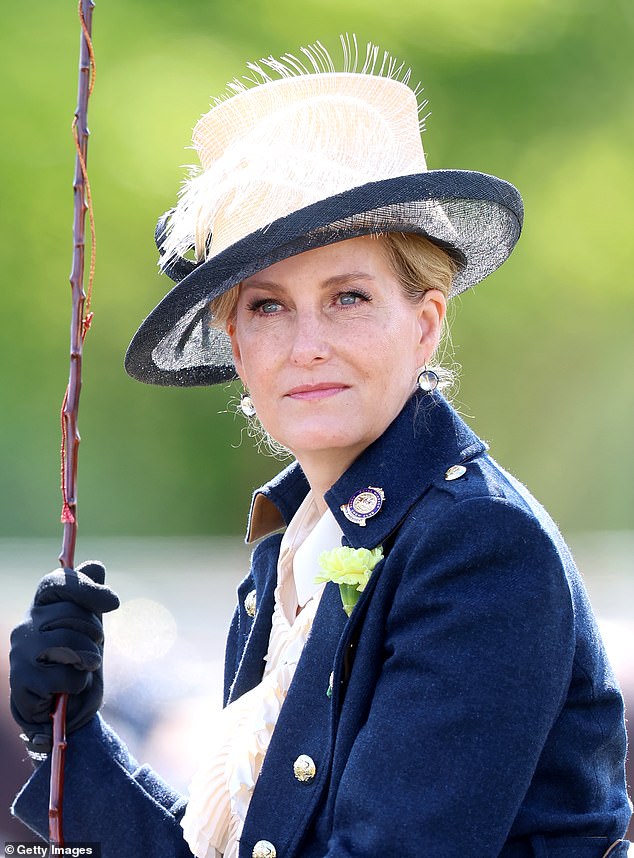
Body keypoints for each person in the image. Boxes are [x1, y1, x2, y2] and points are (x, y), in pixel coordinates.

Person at [8, 38, 632, 858]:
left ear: (425, 323)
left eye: (348, 296)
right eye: (266, 307)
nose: (307, 346)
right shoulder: (293, 548)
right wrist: (73, 740)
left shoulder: (479, 546)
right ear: (235, 345)